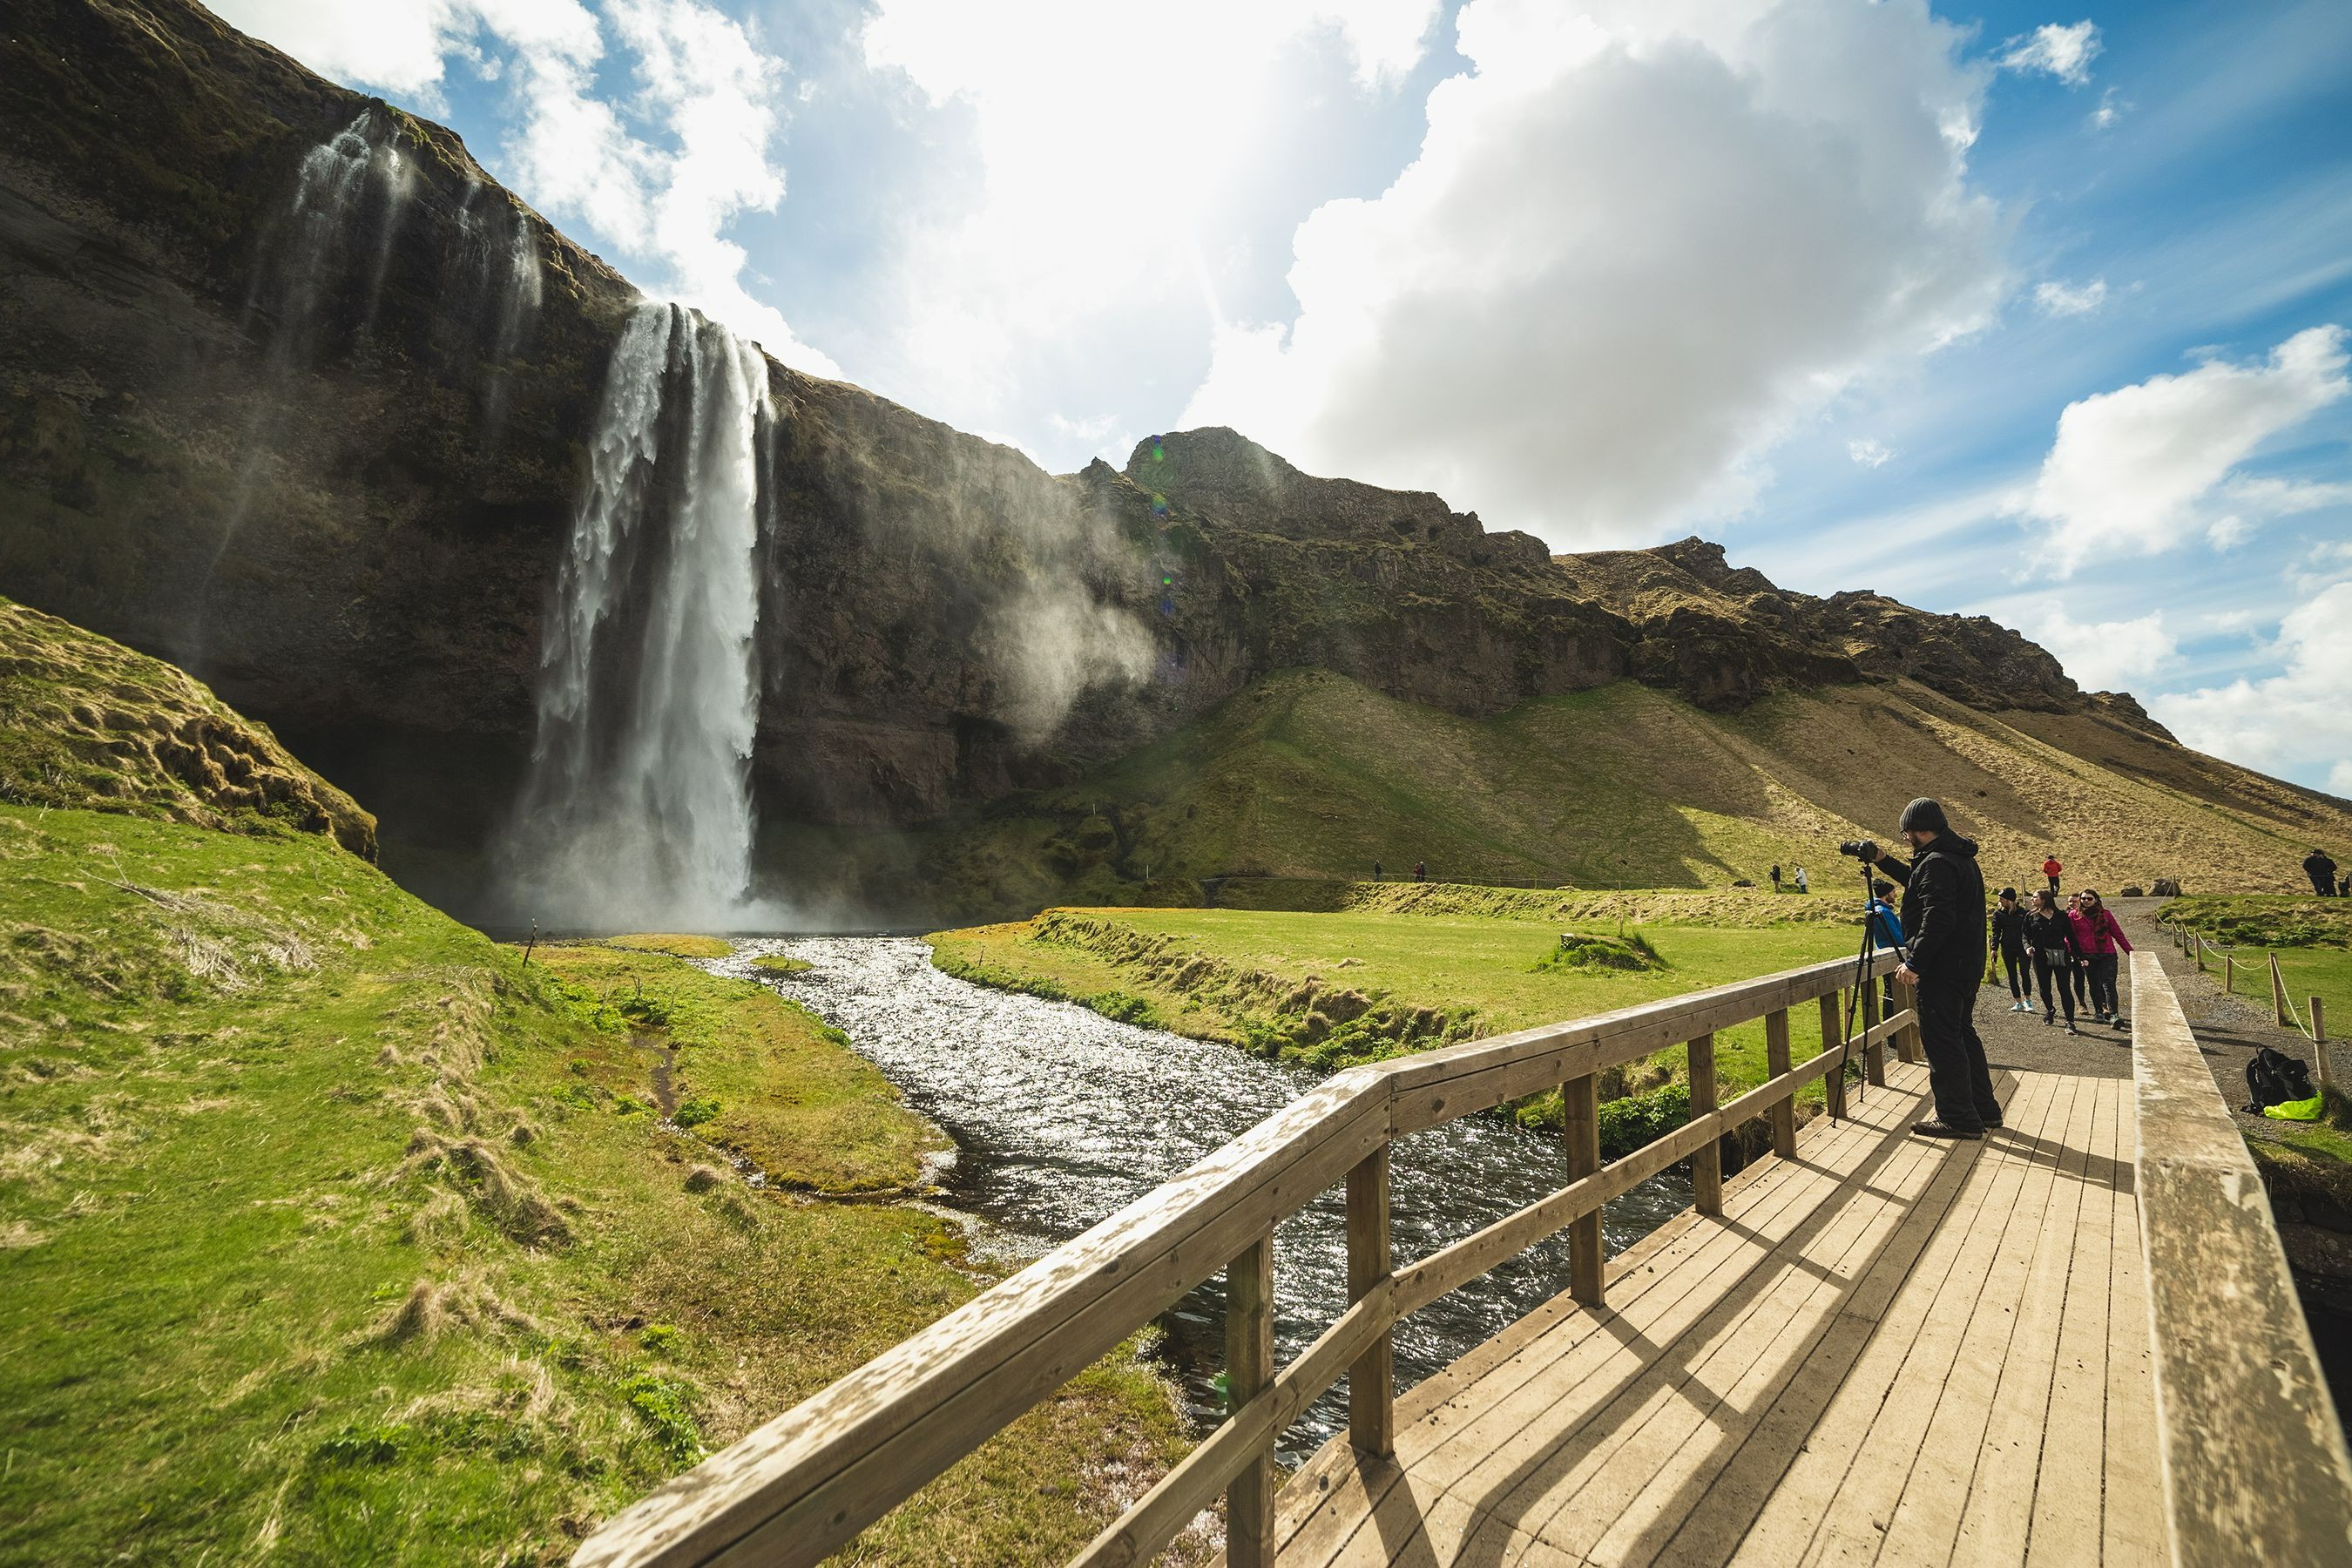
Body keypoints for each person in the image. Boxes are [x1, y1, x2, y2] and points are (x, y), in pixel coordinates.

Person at [1870, 797, 2003, 1139]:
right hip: (1964, 965)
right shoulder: (1954, 857)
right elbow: (1918, 879)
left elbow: (1938, 918)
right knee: (1962, 1033)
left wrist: (1916, 962)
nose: (1905, 840)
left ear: (1919, 831)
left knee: (1942, 1040)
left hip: (1943, 968)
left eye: (1906, 833)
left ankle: (1958, 1117)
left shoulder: (1938, 864)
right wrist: (1883, 861)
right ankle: (1983, 1109)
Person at [2069, 889, 2133, 1027]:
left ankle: (2114, 1015)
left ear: (2096, 900)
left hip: (2107, 954)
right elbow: (2070, 937)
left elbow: (2118, 934)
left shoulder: (2106, 915)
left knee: (2109, 985)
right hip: (2087, 955)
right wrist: (2071, 953)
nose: (2086, 901)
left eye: (2089, 899)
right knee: (2094, 984)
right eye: (2083, 898)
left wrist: (2131, 953)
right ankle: (2098, 1010)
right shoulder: (2074, 915)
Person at [2024, 889, 2085, 1034]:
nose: (2032, 900)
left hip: (2060, 955)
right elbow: (2025, 935)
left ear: (2044, 900)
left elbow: (2071, 938)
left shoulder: (2061, 916)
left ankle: (2070, 1022)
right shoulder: (2030, 916)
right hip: (2040, 956)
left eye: (2035, 897)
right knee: (2044, 988)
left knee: (2064, 988)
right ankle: (2050, 1010)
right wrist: (2027, 947)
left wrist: (2081, 956)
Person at [1990, 888, 2031, 1012]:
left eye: (2002, 899)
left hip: (2023, 947)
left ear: (2009, 900)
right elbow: (1996, 932)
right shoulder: (1998, 914)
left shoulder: (2023, 913)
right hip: (2007, 947)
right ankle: (2018, 1002)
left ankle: (2028, 1001)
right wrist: (1994, 948)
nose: (2000, 901)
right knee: (2012, 975)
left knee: (2025, 972)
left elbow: (2029, 930)